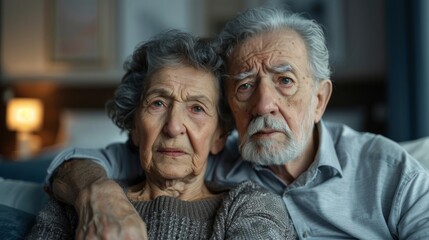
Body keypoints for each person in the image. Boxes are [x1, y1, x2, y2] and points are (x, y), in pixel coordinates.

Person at [46, 7, 429, 239]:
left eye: (285, 80)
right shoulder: (203, 155)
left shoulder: (388, 170)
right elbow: (77, 162)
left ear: (319, 99)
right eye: (245, 85)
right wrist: (99, 192)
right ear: (229, 109)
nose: (264, 103)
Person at [27, 30, 295, 239]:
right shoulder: (83, 204)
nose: (173, 126)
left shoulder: (252, 206)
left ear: (219, 137)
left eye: (197, 108)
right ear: (134, 126)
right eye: (158, 103)